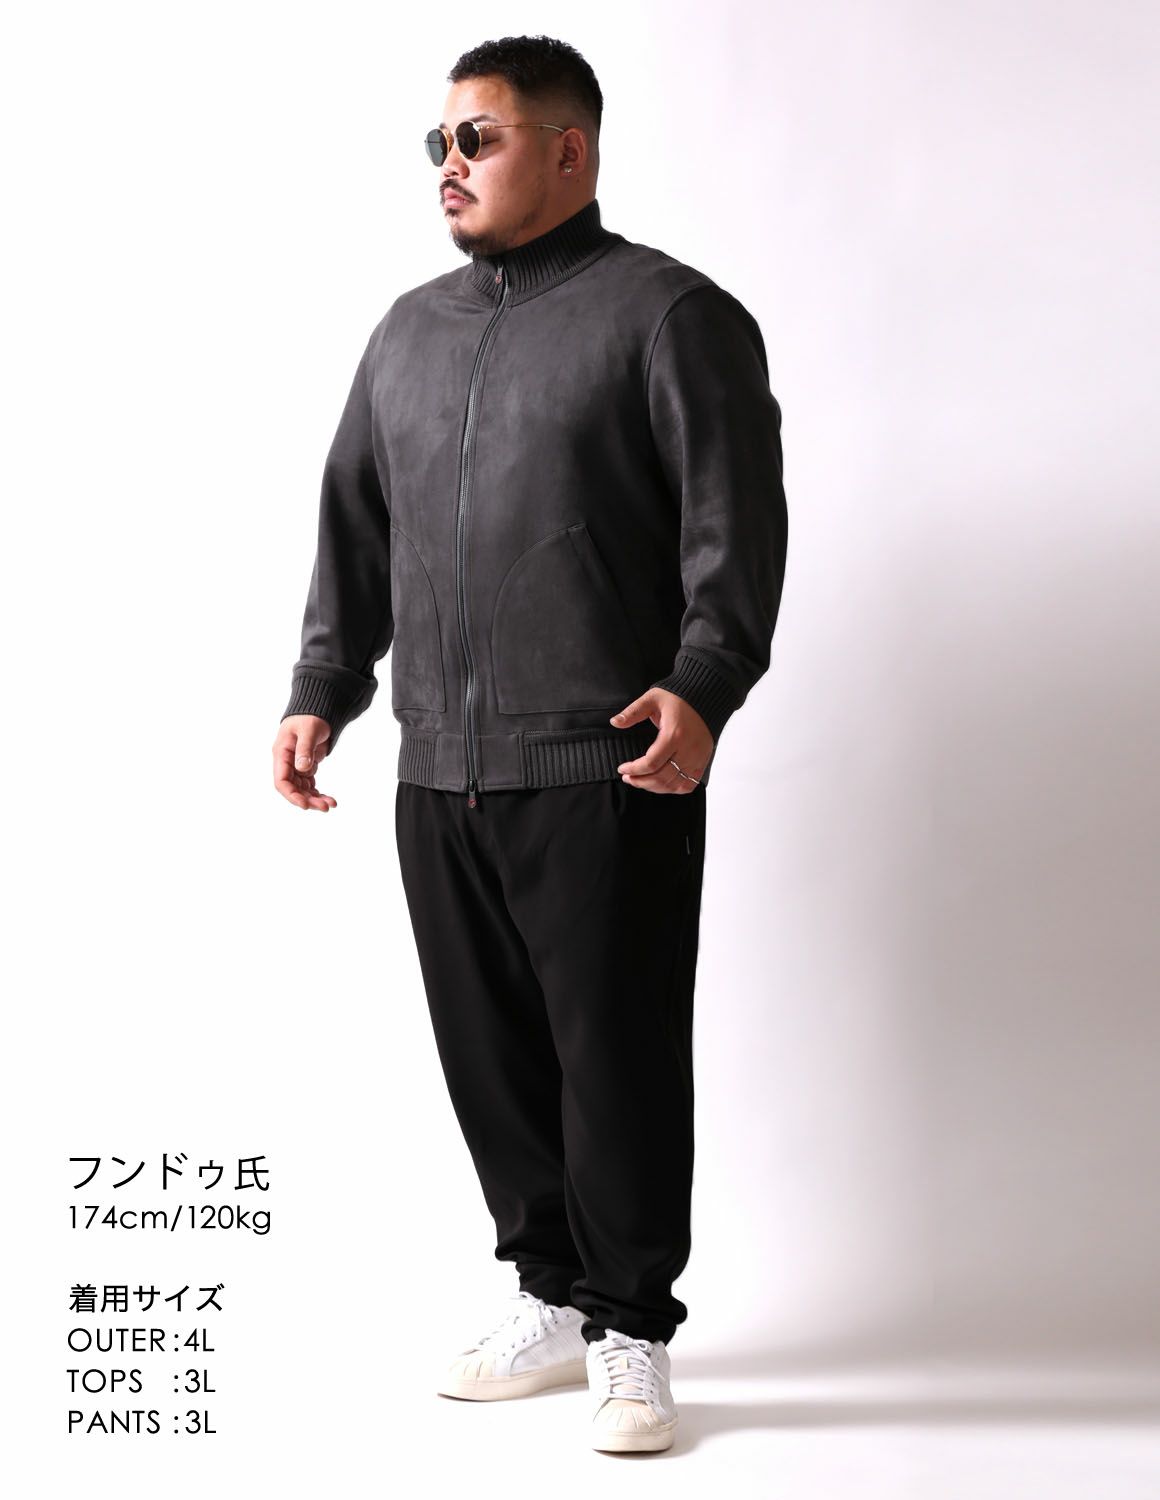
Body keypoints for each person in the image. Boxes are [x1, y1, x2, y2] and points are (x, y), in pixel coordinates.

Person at [272, 34, 788, 1455]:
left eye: (479, 138)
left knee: (615, 1057)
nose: (449, 164)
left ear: (569, 149)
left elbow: (733, 523)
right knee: (489, 1057)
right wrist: (324, 683)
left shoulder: (670, 315)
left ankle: (633, 1329)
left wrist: (704, 682)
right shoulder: (406, 332)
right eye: (438, 141)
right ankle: (552, 1295)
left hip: (603, 761)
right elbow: (354, 519)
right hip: (440, 765)